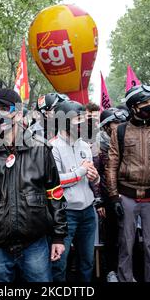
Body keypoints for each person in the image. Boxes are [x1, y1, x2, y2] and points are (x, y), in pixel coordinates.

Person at [0, 89, 67, 282]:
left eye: (3, 108)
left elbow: (55, 194)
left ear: (18, 112)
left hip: (35, 244)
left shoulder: (41, 150)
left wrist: (58, 236)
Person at [105, 84, 150, 282]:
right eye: (144, 104)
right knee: (126, 243)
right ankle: (125, 279)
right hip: (127, 197)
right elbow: (112, 165)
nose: (149, 107)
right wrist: (114, 196)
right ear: (133, 107)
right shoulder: (120, 131)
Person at [50, 100, 100, 282]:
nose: (82, 124)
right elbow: (56, 181)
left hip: (88, 212)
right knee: (59, 264)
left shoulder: (85, 145)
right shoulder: (52, 147)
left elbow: (91, 177)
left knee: (87, 261)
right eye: (77, 119)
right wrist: (81, 171)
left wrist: (95, 177)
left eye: (82, 119)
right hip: (65, 214)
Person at [96, 107, 128, 281]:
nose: (120, 126)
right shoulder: (98, 147)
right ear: (107, 126)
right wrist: (100, 201)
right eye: (116, 123)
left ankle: (126, 271)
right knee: (110, 236)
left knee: (127, 236)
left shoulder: (126, 141)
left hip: (127, 195)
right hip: (108, 198)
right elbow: (96, 176)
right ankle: (110, 271)